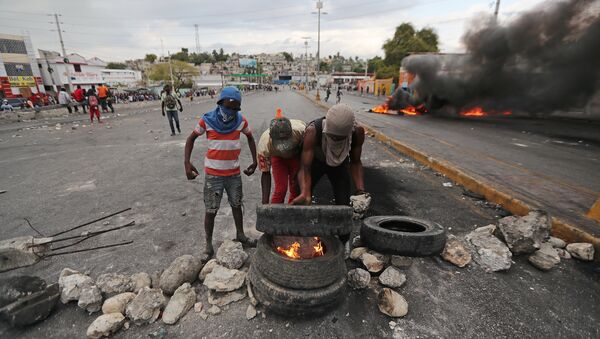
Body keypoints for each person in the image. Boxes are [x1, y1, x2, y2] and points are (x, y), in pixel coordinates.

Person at [184, 86, 258, 260]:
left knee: (236, 205)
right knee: (211, 210)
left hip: (234, 174)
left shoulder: (241, 121)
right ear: (220, 103)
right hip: (213, 175)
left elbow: (250, 137)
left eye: (235, 108)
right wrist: (187, 163)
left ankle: (240, 235)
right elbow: (190, 139)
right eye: (228, 106)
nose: (230, 111)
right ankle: (208, 245)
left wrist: (254, 161)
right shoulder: (207, 120)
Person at [258, 109, 306, 204]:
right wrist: (265, 205)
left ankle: (293, 213)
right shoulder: (264, 144)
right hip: (277, 158)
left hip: (296, 155)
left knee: (295, 188)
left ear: (291, 133)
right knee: (280, 190)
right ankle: (274, 215)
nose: (283, 147)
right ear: (271, 136)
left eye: (286, 140)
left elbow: (307, 152)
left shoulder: (302, 131)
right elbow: (265, 173)